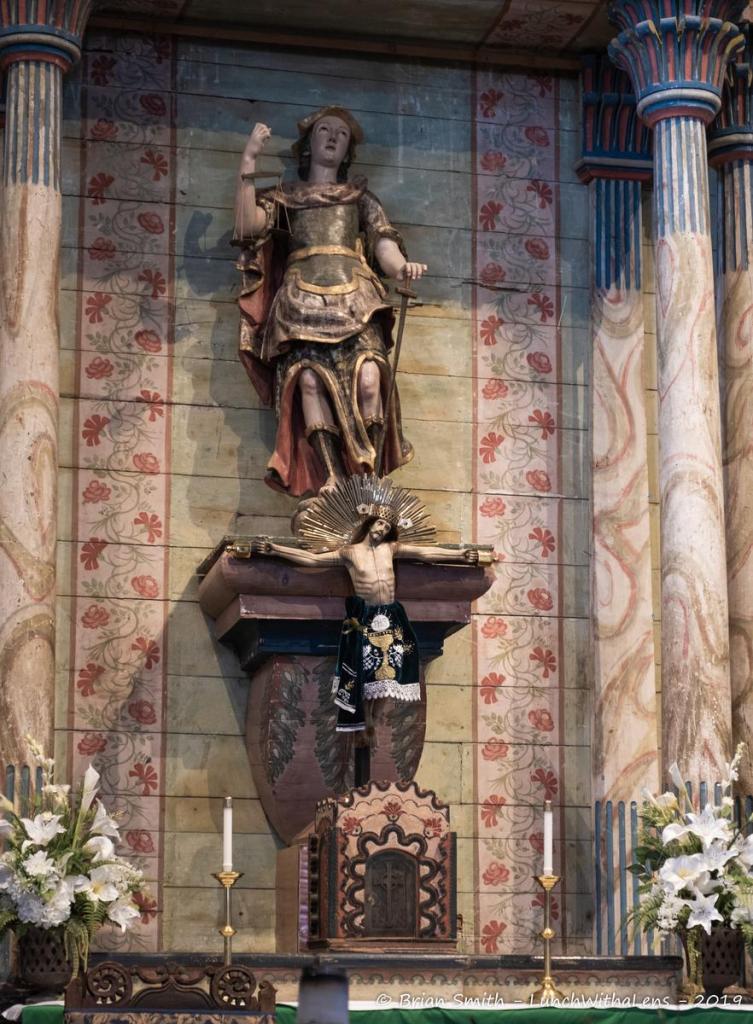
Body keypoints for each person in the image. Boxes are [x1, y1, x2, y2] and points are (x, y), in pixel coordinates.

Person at [233, 106, 427, 497]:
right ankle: (332, 476)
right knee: (308, 381)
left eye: (342, 133)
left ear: (348, 149)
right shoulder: (286, 197)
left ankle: (370, 476)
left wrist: (401, 268)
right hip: (300, 301)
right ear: (308, 143)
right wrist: (249, 160)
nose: (334, 137)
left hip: (357, 300)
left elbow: (382, 241)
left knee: (370, 379)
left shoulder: (360, 198)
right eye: (325, 129)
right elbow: (247, 226)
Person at [252, 504, 480, 744]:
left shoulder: (391, 548)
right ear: (369, 523)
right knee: (365, 668)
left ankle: (375, 717)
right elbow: (311, 560)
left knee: (392, 668)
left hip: (391, 614)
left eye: (387, 527)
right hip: (366, 615)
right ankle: (364, 719)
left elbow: (425, 553)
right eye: (379, 523)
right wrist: (274, 549)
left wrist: (460, 555)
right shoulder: (349, 553)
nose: (382, 529)